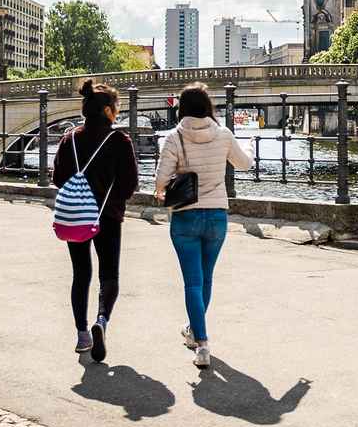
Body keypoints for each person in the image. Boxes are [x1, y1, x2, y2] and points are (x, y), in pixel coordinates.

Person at [154, 82, 253, 369]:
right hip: (216, 216)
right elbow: (245, 164)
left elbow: (160, 181)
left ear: (181, 108)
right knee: (206, 278)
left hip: (186, 216)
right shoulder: (223, 134)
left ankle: (202, 343)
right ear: (208, 107)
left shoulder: (174, 137)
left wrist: (166, 187)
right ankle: (194, 332)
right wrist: (247, 146)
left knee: (192, 282)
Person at [53, 79, 137, 362]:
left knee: (81, 273)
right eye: (117, 107)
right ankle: (101, 320)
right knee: (109, 274)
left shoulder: (69, 139)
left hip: (76, 215)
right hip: (108, 216)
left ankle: (81, 334)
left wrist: (80, 194)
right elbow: (129, 184)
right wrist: (111, 199)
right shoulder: (119, 141)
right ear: (108, 111)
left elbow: (58, 178)